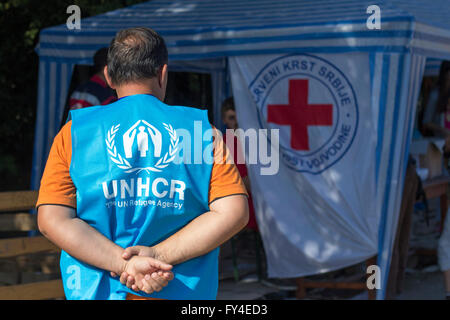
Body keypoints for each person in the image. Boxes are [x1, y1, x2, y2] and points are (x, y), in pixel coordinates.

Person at [37, 27, 249, 300]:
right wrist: (157, 255)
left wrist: (123, 262)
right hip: (182, 291)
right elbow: (233, 213)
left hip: (98, 291)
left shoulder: (73, 133)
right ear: (163, 74)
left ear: (109, 76)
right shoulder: (203, 132)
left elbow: (51, 220)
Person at [221, 97, 258, 231]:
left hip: (257, 218)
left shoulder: (254, 141)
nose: (236, 122)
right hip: (240, 221)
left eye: (239, 117)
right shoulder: (225, 143)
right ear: (224, 119)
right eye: (231, 118)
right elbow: (241, 182)